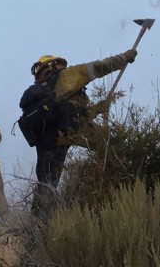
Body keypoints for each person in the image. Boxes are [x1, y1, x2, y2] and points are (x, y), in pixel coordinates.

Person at [29, 49, 137, 215]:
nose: (63, 66)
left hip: (48, 135)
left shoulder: (42, 93)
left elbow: (73, 111)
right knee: (113, 146)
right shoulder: (67, 76)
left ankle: (37, 223)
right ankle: (122, 188)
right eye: (60, 64)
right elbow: (98, 67)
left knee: (47, 180)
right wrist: (123, 58)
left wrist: (99, 108)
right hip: (70, 129)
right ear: (54, 65)